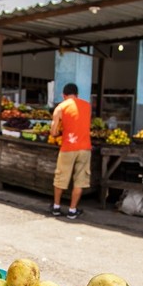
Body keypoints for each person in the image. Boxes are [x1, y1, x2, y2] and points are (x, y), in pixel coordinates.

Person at [49, 83, 92, 219]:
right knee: (80, 180)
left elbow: (53, 131)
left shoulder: (60, 108)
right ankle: (72, 210)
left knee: (61, 177)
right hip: (85, 148)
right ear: (77, 95)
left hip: (68, 147)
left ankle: (56, 207)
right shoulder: (87, 106)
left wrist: (60, 131)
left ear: (64, 95)